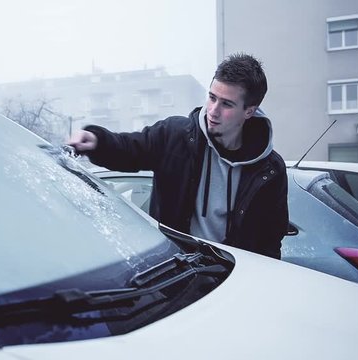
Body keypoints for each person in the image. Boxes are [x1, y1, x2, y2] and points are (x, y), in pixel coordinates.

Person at [68, 53, 288, 259]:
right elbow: (130, 148)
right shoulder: (175, 135)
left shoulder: (270, 170)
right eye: (212, 98)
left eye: (226, 104)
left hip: (232, 278)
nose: (213, 110)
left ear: (249, 111)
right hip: (174, 272)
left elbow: (270, 240)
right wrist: (97, 141)